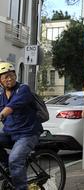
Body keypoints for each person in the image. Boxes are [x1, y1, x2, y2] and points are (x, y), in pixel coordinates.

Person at [0, 62, 43, 190]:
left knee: (15, 160)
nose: (9, 79)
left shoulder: (23, 89)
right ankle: (8, 167)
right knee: (11, 163)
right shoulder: (1, 96)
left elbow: (13, 105)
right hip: (10, 133)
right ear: (0, 80)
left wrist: (3, 113)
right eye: (5, 76)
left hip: (28, 133)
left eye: (11, 75)